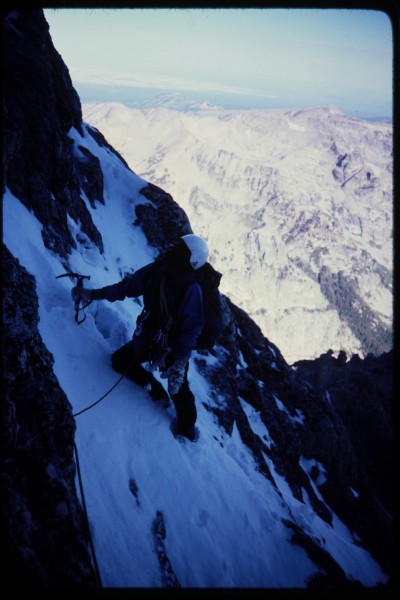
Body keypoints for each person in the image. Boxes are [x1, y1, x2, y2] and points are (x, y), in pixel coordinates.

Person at [71, 234, 209, 441]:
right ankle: (155, 389)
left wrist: (179, 361)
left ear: (191, 261)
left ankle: (187, 430)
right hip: (150, 337)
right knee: (120, 361)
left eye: (181, 250)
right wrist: (93, 294)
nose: (173, 249)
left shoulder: (190, 289)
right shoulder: (158, 271)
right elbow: (125, 288)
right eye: (178, 246)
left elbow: (192, 327)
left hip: (173, 346)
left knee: (179, 389)